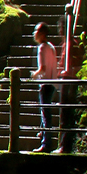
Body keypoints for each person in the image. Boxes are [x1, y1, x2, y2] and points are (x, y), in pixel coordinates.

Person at [33, 23, 59, 151]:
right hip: (52, 83)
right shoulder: (51, 47)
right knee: (46, 111)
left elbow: (43, 68)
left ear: (42, 33)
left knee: (45, 113)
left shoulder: (42, 48)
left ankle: (46, 143)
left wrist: (34, 75)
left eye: (37, 31)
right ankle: (43, 135)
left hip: (45, 83)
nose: (34, 33)